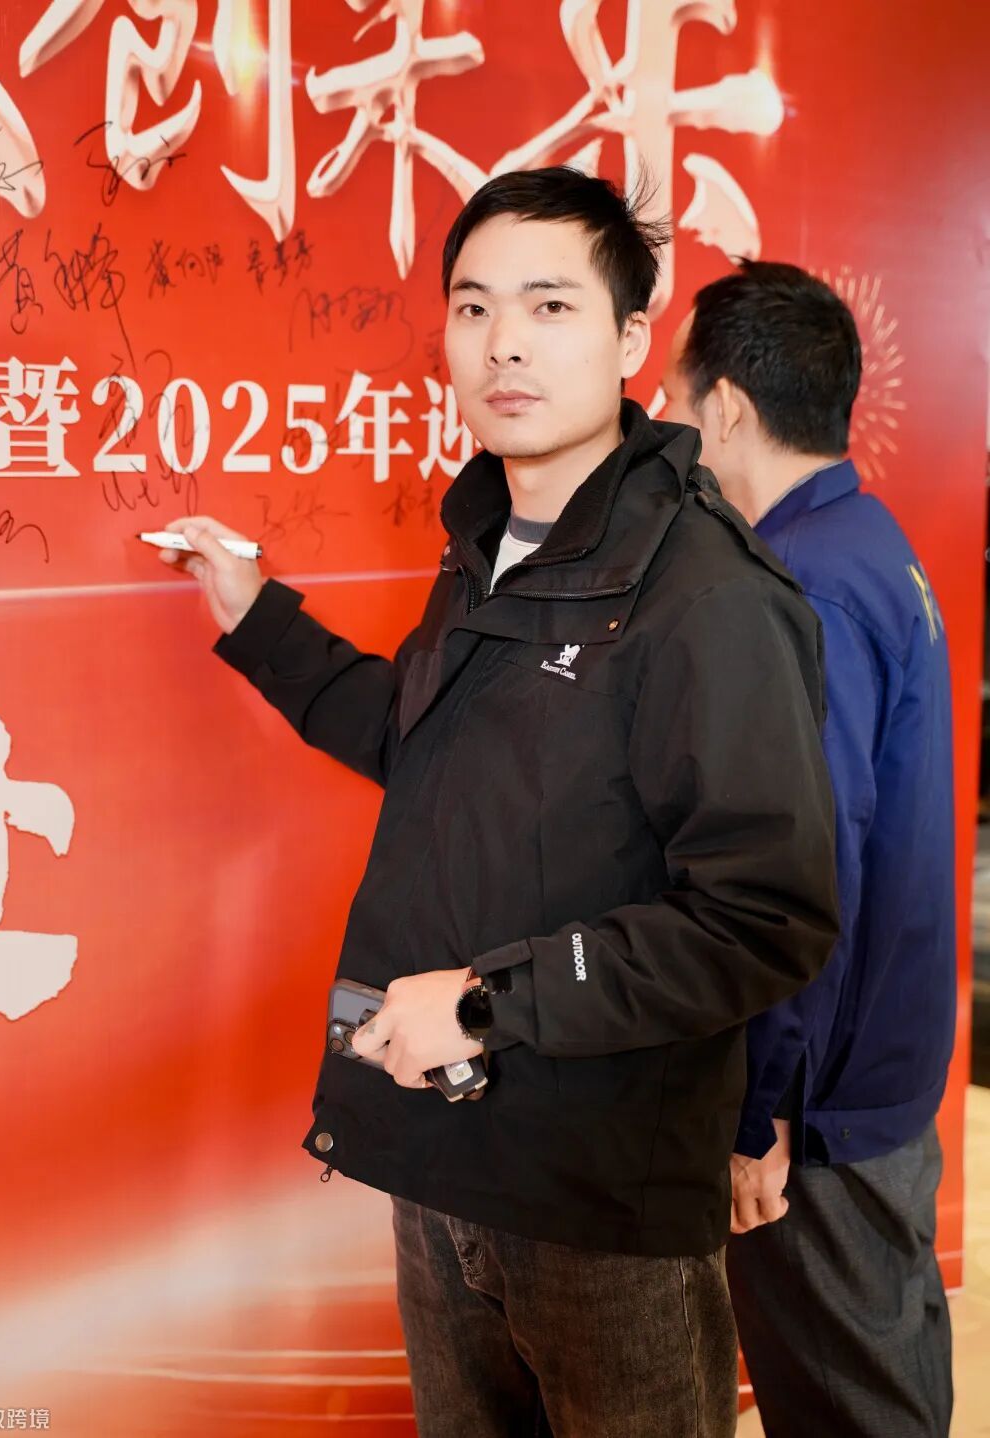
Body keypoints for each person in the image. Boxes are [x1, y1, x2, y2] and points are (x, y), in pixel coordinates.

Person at [160, 170, 839, 1438]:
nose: (504, 342)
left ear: (631, 342)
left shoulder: (708, 596)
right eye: (474, 307)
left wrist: (486, 999)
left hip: (601, 1206)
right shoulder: (491, 542)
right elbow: (424, 742)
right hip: (445, 1155)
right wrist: (260, 622)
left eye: (548, 304)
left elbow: (762, 919)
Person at [662, 259, 957, 1438]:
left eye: (674, 397)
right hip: (877, 1077)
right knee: (890, 1381)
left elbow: (803, 869)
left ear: (727, 408)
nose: (668, 422)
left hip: (821, 1109)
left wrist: (763, 1113)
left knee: (848, 1402)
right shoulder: (864, 538)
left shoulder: (804, 585)